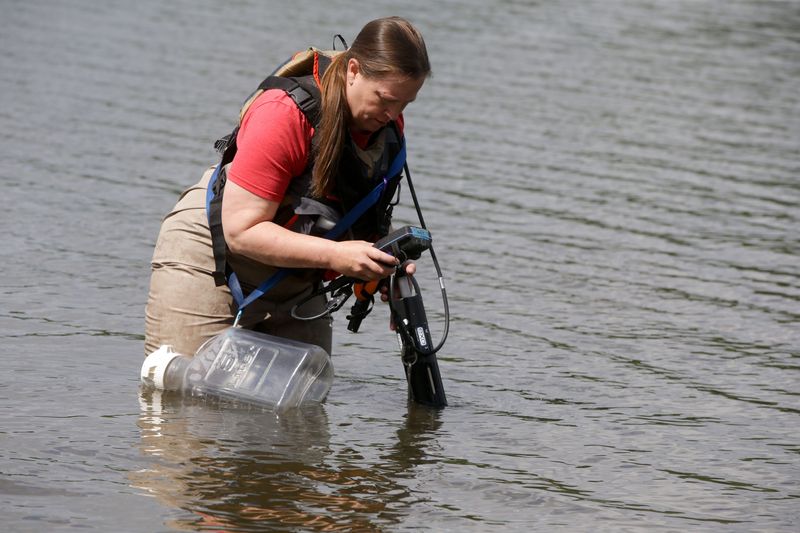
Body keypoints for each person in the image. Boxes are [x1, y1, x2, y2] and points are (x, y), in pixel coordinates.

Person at [144, 17, 431, 357]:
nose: (393, 114)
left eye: (404, 104)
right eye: (385, 99)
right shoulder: (285, 113)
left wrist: (380, 267)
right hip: (212, 257)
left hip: (293, 278)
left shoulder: (386, 130)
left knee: (305, 400)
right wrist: (337, 255)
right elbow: (240, 230)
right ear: (353, 70)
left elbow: (352, 220)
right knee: (185, 395)